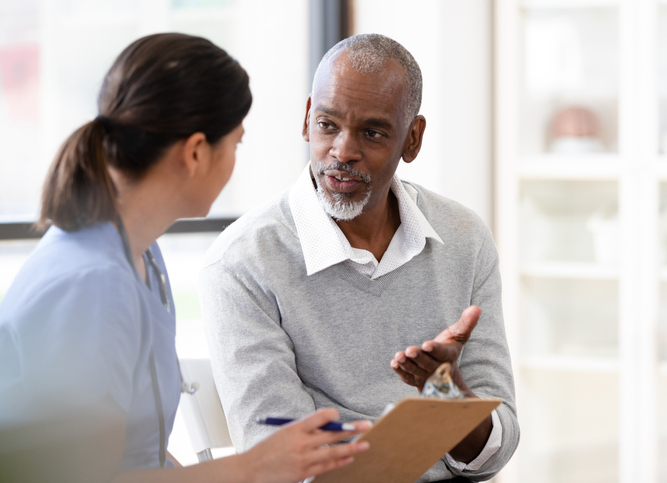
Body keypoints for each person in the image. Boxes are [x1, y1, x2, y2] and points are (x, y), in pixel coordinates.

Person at [0, 33, 370, 483]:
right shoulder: (90, 284)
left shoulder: (142, 256)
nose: (235, 159)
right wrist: (251, 468)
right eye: (236, 143)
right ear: (195, 152)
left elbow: (138, 459)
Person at [198, 33, 519, 482]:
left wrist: (449, 397)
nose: (343, 152)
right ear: (308, 119)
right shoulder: (242, 263)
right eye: (328, 125)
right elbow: (280, 460)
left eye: (372, 132)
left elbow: (497, 448)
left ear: (412, 138)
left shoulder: (463, 237)